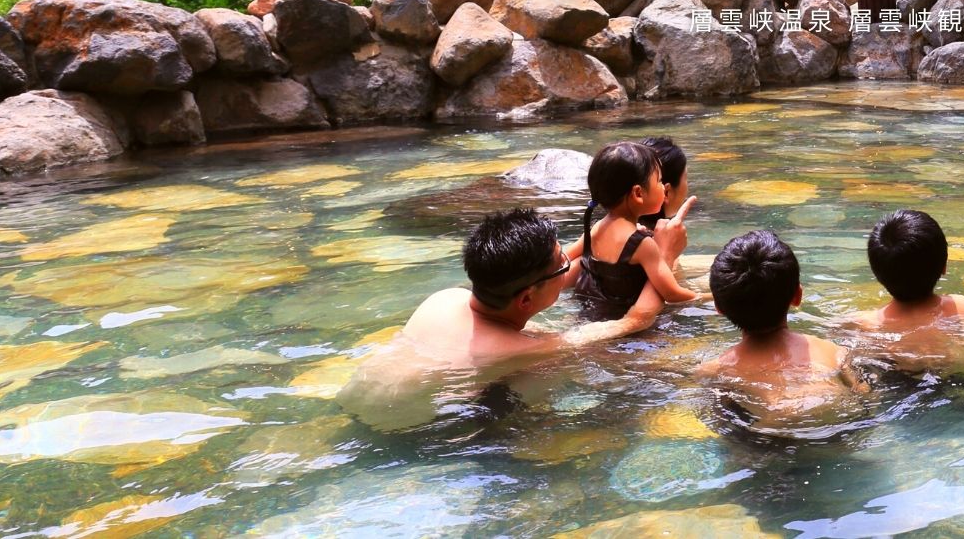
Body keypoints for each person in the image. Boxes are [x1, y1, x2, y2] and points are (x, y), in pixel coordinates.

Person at [337, 208, 662, 430]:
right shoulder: (522, 351)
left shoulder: (444, 298)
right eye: (562, 265)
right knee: (553, 370)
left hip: (355, 407)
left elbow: (517, 328)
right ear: (525, 298)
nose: (568, 264)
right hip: (409, 432)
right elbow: (634, 321)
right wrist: (662, 259)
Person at [697, 229, 864, 432]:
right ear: (797, 296)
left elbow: (719, 420)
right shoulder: (835, 351)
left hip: (770, 435)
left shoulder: (715, 370)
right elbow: (865, 395)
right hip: (839, 427)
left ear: (718, 307)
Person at [843, 209, 964, 374]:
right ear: (944, 267)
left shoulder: (862, 323)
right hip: (955, 368)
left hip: (901, 379)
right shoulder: (960, 306)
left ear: (876, 274)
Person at [568, 140, 698, 320]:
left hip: (587, 317)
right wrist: (708, 299)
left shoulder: (597, 227)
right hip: (630, 333)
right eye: (660, 181)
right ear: (638, 194)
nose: (664, 187)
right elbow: (672, 294)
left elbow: (565, 259)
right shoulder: (642, 244)